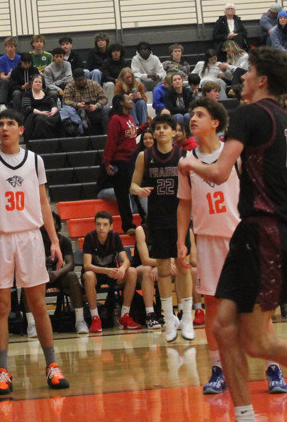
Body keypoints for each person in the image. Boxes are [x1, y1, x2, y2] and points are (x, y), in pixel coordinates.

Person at [177, 47, 287, 422]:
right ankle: (245, 415)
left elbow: (220, 171)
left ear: (262, 80)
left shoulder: (248, 114)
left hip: (265, 233)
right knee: (224, 328)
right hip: (256, 232)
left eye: (248, 72)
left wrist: (189, 162)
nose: (241, 78)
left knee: (258, 340)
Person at [177, 98, 287, 396]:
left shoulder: (234, 154)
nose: (193, 118)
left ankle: (272, 367)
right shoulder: (186, 161)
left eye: (200, 114)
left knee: (255, 305)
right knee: (213, 305)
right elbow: (184, 204)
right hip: (207, 240)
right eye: (192, 114)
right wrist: (181, 239)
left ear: (216, 122)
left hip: (241, 237)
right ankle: (218, 369)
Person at [0, 109, 68, 395]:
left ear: (21, 130)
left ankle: (52, 365)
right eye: (0, 124)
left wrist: (53, 240)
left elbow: (43, 200)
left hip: (29, 238)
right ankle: (3, 371)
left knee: (38, 305)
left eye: (10, 124)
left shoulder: (35, 160)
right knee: (1, 307)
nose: (5, 128)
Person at [131, 115, 194, 342]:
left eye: (165, 128)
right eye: (158, 128)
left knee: (184, 266)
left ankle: (187, 317)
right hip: (156, 219)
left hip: (179, 218)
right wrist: (139, 191)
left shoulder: (183, 156)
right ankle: (169, 320)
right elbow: (133, 184)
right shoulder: (143, 156)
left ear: (173, 132)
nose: (161, 131)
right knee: (163, 269)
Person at [81, 211, 140, 333]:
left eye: (105, 224)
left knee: (132, 271)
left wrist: (122, 269)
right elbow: (87, 265)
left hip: (111, 273)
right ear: (94, 225)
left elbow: (126, 260)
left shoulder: (114, 237)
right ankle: (95, 318)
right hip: (96, 273)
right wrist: (105, 270)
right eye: (98, 224)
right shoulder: (90, 238)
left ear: (111, 226)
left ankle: (124, 316)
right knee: (88, 275)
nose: (101, 228)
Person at [38, 213, 89, 335]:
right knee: (27, 280)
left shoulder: (63, 241)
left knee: (71, 276)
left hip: (57, 276)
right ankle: (31, 324)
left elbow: (70, 264)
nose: (49, 224)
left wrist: (57, 272)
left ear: (56, 225)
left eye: (53, 222)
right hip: (39, 277)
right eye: (45, 221)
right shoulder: (34, 240)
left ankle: (80, 320)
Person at [101, 93, 145, 231]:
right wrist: (107, 163)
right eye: (128, 99)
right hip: (119, 162)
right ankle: (128, 225)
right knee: (123, 195)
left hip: (132, 160)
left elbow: (131, 134)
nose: (131, 101)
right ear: (121, 103)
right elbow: (111, 142)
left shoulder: (130, 117)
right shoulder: (115, 119)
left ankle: (145, 221)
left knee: (136, 191)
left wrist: (144, 127)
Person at [62, 68, 109, 135]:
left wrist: (96, 106)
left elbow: (104, 98)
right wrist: (77, 104)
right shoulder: (70, 86)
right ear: (73, 79)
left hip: (94, 107)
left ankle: (106, 135)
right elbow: (65, 101)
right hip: (78, 109)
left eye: (82, 79)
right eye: (78, 81)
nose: (81, 82)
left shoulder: (94, 84)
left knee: (107, 109)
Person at [21, 75, 61, 141]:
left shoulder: (47, 93)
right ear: (32, 84)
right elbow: (27, 108)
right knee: (41, 120)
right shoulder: (27, 94)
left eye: (40, 82)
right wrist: (41, 113)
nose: (38, 83)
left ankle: (55, 141)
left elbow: (53, 104)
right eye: (36, 82)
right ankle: (41, 141)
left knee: (58, 117)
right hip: (33, 115)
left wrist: (53, 110)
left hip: (47, 112)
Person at [0, 37, 21, 107]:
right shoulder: (1, 60)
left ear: (15, 47)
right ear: (5, 48)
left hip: (16, 81)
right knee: (5, 80)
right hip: (5, 81)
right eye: (8, 47)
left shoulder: (20, 58)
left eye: (11, 47)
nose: (10, 49)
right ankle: (2, 104)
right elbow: (2, 75)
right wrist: (8, 76)